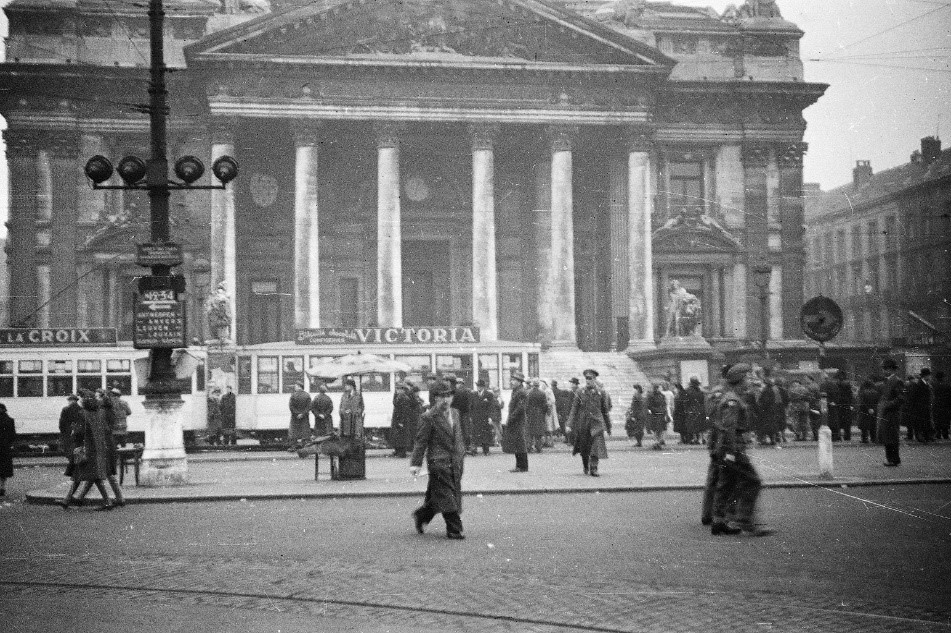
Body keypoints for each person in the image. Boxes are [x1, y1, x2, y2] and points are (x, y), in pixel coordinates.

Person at [709, 363, 773, 537]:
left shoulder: (733, 397)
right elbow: (729, 428)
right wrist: (731, 452)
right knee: (753, 481)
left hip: (727, 447)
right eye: (747, 378)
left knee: (726, 483)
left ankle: (718, 521)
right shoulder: (733, 400)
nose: (749, 381)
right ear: (740, 380)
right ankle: (746, 522)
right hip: (733, 447)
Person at [410, 380, 467, 540]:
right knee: (448, 495)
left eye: (449, 395)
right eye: (442, 397)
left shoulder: (455, 413)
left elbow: (458, 436)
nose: (446, 400)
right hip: (439, 463)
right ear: (434, 398)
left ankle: (421, 516)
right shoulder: (428, 417)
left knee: (440, 495)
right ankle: (454, 529)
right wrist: (416, 463)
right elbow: (420, 441)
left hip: (455, 462)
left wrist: (462, 452)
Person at [62, 391, 120, 510]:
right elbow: (106, 429)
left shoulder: (82, 414)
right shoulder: (100, 413)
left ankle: (107, 502)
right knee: (90, 475)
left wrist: (73, 431)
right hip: (98, 449)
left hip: (86, 449)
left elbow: (78, 432)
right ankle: (67, 500)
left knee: (82, 475)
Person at [567, 369, 611, 476]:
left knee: (595, 446)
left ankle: (594, 468)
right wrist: (569, 424)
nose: (588, 381)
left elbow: (605, 411)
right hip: (583, 424)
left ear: (595, 379)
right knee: (584, 447)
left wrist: (608, 427)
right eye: (586, 378)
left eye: (590, 378)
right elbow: (574, 409)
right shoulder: (580, 392)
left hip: (597, 424)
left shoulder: (601, 393)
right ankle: (586, 465)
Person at [877, 358, 904, 467]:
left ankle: (893, 459)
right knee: (887, 437)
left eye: (885, 369)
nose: (883, 371)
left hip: (892, 413)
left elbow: (901, 398)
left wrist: (888, 405)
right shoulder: (888, 380)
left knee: (892, 437)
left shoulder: (897, 381)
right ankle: (891, 458)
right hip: (886, 413)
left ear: (891, 369)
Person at [501, 371, 529, 472]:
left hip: (518, 421)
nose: (511, 382)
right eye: (511, 380)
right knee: (517, 443)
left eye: (514, 380)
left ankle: (522, 466)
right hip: (516, 421)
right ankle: (520, 466)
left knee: (520, 444)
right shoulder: (516, 390)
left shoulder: (521, 392)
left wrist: (511, 418)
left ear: (519, 381)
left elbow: (520, 408)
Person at [446, 374, 475, 456]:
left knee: (463, 431)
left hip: (462, 413)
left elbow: (469, 403)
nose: (459, 385)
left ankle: (465, 448)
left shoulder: (460, 392)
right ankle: (465, 448)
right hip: (462, 413)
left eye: (460, 383)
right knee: (463, 431)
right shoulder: (465, 391)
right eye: (458, 383)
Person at [470, 379, 498, 455]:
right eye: (477, 386)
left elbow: (491, 407)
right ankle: (474, 450)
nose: (478, 387)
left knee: (485, 434)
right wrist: (471, 416)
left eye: (480, 386)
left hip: (485, 418)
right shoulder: (473, 394)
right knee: (475, 434)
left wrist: (490, 417)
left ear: (483, 387)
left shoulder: (489, 395)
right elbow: (471, 406)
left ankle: (486, 450)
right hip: (476, 418)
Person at [390, 381, 417, 458]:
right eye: (397, 389)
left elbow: (404, 411)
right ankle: (398, 451)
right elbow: (394, 403)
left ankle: (402, 453)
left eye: (399, 389)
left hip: (402, 420)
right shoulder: (399, 397)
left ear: (403, 390)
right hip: (398, 419)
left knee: (402, 437)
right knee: (398, 437)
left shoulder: (404, 398)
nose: (397, 390)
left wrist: (401, 421)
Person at [59, 394, 83, 477]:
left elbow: (61, 423)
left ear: (72, 400)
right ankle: (77, 469)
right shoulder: (81, 409)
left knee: (69, 452)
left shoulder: (65, 409)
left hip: (67, 434)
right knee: (76, 451)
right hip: (77, 434)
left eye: (69, 400)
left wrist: (64, 432)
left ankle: (74, 472)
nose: (68, 402)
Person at [525, 378, 549, 453]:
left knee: (530, 432)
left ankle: (528, 447)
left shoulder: (529, 393)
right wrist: (544, 413)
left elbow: (526, 405)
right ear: (538, 385)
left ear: (533, 385)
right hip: (539, 413)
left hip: (531, 414)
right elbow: (545, 405)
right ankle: (538, 447)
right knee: (538, 432)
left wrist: (527, 413)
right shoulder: (542, 393)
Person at [683, 376, 707, 445]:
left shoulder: (687, 390)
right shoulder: (700, 391)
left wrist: (686, 410)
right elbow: (703, 400)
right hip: (700, 409)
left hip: (691, 409)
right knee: (701, 424)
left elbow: (686, 402)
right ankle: (702, 438)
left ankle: (695, 439)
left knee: (693, 425)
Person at [288, 382, 312, 449]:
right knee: (305, 431)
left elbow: (291, 407)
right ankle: (305, 446)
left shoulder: (293, 395)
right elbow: (309, 407)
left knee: (294, 431)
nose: (295, 387)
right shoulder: (307, 395)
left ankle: (293, 446)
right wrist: (303, 414)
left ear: (299, 386)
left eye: (296, 386)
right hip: (304, 417)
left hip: (295, 417)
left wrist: (297, 414)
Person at [857, 379, 880, 444]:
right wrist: (873, 409)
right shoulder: (876, 392)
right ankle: (873, 438)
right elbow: (877, 402)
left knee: (864, 426)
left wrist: (868, 408)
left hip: (864, 411)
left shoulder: (863, 392)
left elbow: (862, 402)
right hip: (873, 411)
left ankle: (865, 439)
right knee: (873, 425)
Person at [645, 384, 668, 450]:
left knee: (661, 429)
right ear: (656, 388)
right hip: (655, 414)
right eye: (659, 388)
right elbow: (649, 406)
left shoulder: (662, 396)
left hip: (661, 414)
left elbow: (664, 404)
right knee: (655, 430)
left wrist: (663, 411)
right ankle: (656, 442)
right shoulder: (651, 396)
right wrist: (657, 410)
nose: (661, 389)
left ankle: (658, 442)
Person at [0, 403, 14, 497]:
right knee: (4, 470)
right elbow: (13, 435)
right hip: (5, 448)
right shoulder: (10, 420)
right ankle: (2, 487)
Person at [933, 371, 951, 441]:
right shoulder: (947, 385)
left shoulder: (933, 385)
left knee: (937, 420)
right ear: (943, 377)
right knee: (945, 421)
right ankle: (945, 434)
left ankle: (938, 434)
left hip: (936, 405)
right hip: (945, 406)